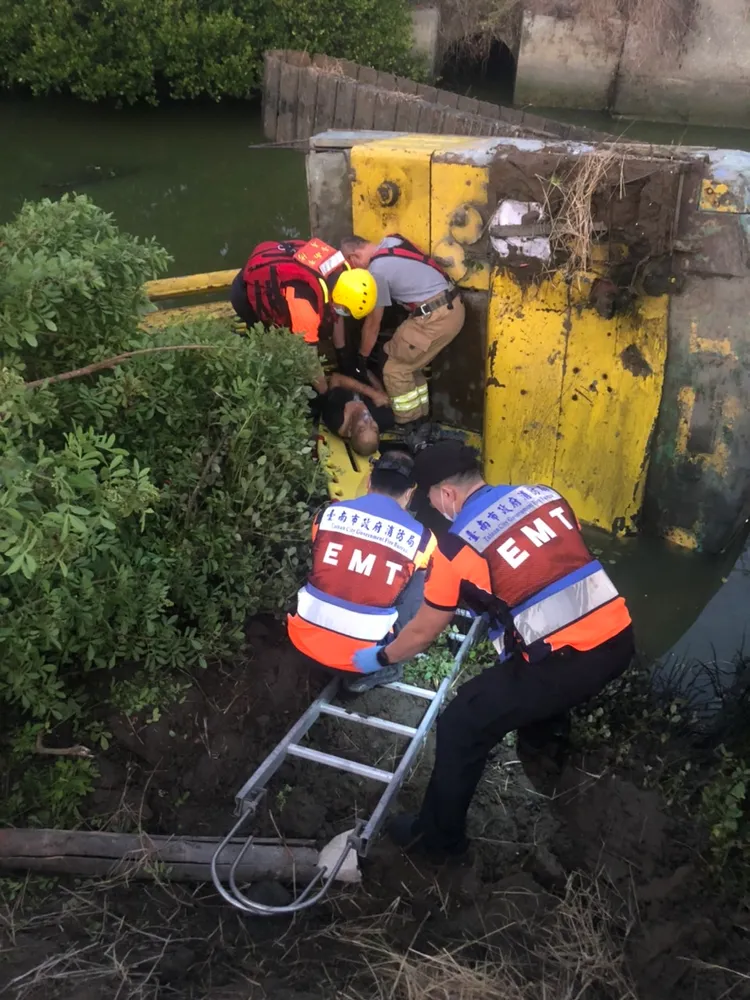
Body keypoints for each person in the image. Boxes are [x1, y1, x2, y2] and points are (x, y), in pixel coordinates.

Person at [352, 440, 634, 856]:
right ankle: (544, 747)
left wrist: (380, 657)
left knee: (460, 724)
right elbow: (553, 562)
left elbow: (423, 632)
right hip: (619, 637)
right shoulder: (544, 496)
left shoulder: (455, 548)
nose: (434, 506)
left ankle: (438, 842)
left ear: (446, 494)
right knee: (538, 675)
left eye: (430, 497)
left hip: (566, 663)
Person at [287, 452, 436, 694]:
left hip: (302, 641)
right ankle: (386, 664)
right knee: (421, 575)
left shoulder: (327, 515)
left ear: (368, 481)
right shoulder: (422, 539)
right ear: (410, 493)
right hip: (360, 661)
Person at [340, 234, 465, 426]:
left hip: (435, 317)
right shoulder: (392, 241)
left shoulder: (376, 272)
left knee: (394, 368)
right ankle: (422, 419)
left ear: (353, 257)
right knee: (409, 366)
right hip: (452, 307)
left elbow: (373, 324)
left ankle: (408, 425)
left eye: (352, 267)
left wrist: (362, 357)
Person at [230, 236, 377, 347]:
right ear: (340, 297)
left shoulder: (338, 268)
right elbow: (309, 360)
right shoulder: (307, 310)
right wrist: (325, 383)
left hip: (268, 263)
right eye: (345, 310)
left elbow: (335, 316)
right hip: (245, 294)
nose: (343, 313)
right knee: (266, 339)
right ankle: (244, 338)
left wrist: (342, 352)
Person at [313, 371, 395, 456]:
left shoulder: (336, 417)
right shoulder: (385, 419)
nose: (368, 422)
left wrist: (372, 393)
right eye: (374, 428)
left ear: (350, 430)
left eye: (361, 428)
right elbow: (380, 393)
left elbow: (336, 378)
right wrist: (367, 373)